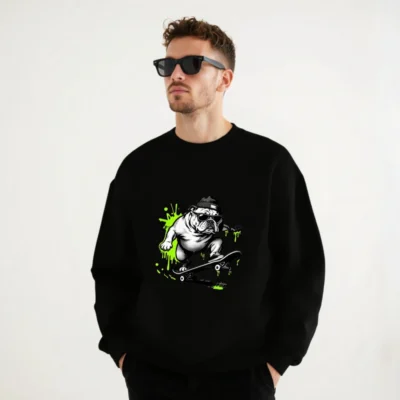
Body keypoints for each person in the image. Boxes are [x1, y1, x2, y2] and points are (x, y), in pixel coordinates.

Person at [91, 16, 325, 400]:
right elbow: (112, 268)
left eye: (192, 64)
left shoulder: (269, 165)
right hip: (154, 377)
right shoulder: (139, 168)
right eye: (168, 65)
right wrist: (124, 355)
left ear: (224, 79)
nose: (176, 74)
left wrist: (276, 363)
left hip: (244, 377)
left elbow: (302, 271)